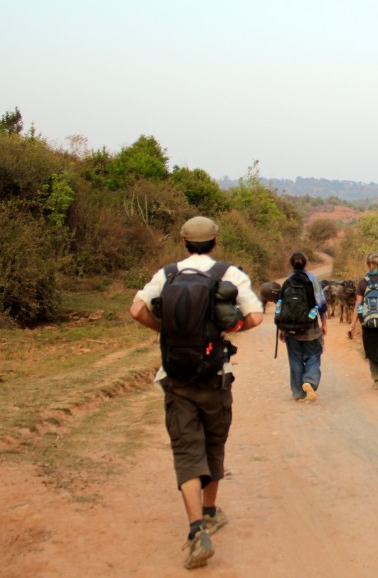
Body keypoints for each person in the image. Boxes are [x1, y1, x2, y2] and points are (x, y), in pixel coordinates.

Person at [129, 216, 264, 569]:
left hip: (176, 376)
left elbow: (136, 310)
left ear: (184, 243)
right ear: (215, 242)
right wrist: (224, 330)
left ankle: (195, 532)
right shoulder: (229, 274)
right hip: (215, 376)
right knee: (214, 443)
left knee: (187, 450)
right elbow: (255, 318)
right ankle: (209, 512)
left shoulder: (168, 274)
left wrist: (166, 330)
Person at [278, 252, 329, 402]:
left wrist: (281, 328)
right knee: (313, 355)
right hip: (310, 327)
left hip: (290, 329)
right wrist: (324, 323)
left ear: (291, 264)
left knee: (295, 359)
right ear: (306, 263)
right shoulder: (312, 280)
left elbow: (281, 306)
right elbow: (321, 304)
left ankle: (298, 393)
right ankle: (309, 381)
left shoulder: (287, 282)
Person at [348, 252, 378, 393]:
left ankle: (376, 379)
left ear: (368, 265)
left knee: (371, 348)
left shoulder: (362, 283)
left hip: (368, 324)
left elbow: (358, 305)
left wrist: (352, 324)